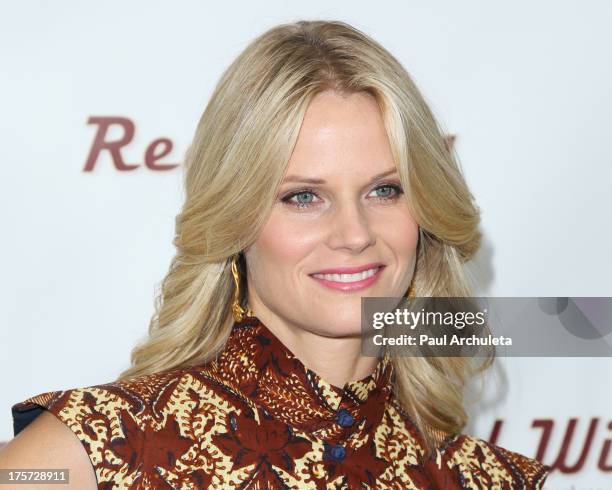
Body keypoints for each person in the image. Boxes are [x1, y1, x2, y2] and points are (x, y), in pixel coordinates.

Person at [0, 19, 552, 489]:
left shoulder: (489, 479)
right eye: (303, 197)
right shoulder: (105, 450)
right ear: (235, 219)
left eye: (385, 190)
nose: (354, 233)